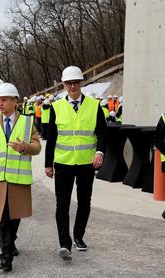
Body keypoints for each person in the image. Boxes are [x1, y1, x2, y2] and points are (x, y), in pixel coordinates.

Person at [0, 82, 40, 272]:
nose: (0, 104)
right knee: (2, 219)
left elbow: (37, 146)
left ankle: (10, 244)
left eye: (4, 100)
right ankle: (6, 257)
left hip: (18, 179)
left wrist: (25, 147)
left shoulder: (28, 123)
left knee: (14, 217)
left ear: (14, 101)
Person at [45, 66, 106, 261]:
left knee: (84, 203)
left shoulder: (94, 106)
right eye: (69, 83)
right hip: (63, 164)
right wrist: (48, 164)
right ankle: (64, 243)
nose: (73, 86)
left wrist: (100, 151)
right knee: (62, 204)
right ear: (63, 85)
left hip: (86, 164)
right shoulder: (56, 107)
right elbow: (51, 138)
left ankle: (78, 236)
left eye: (76, 82)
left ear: (81, 83)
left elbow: (103, 133)